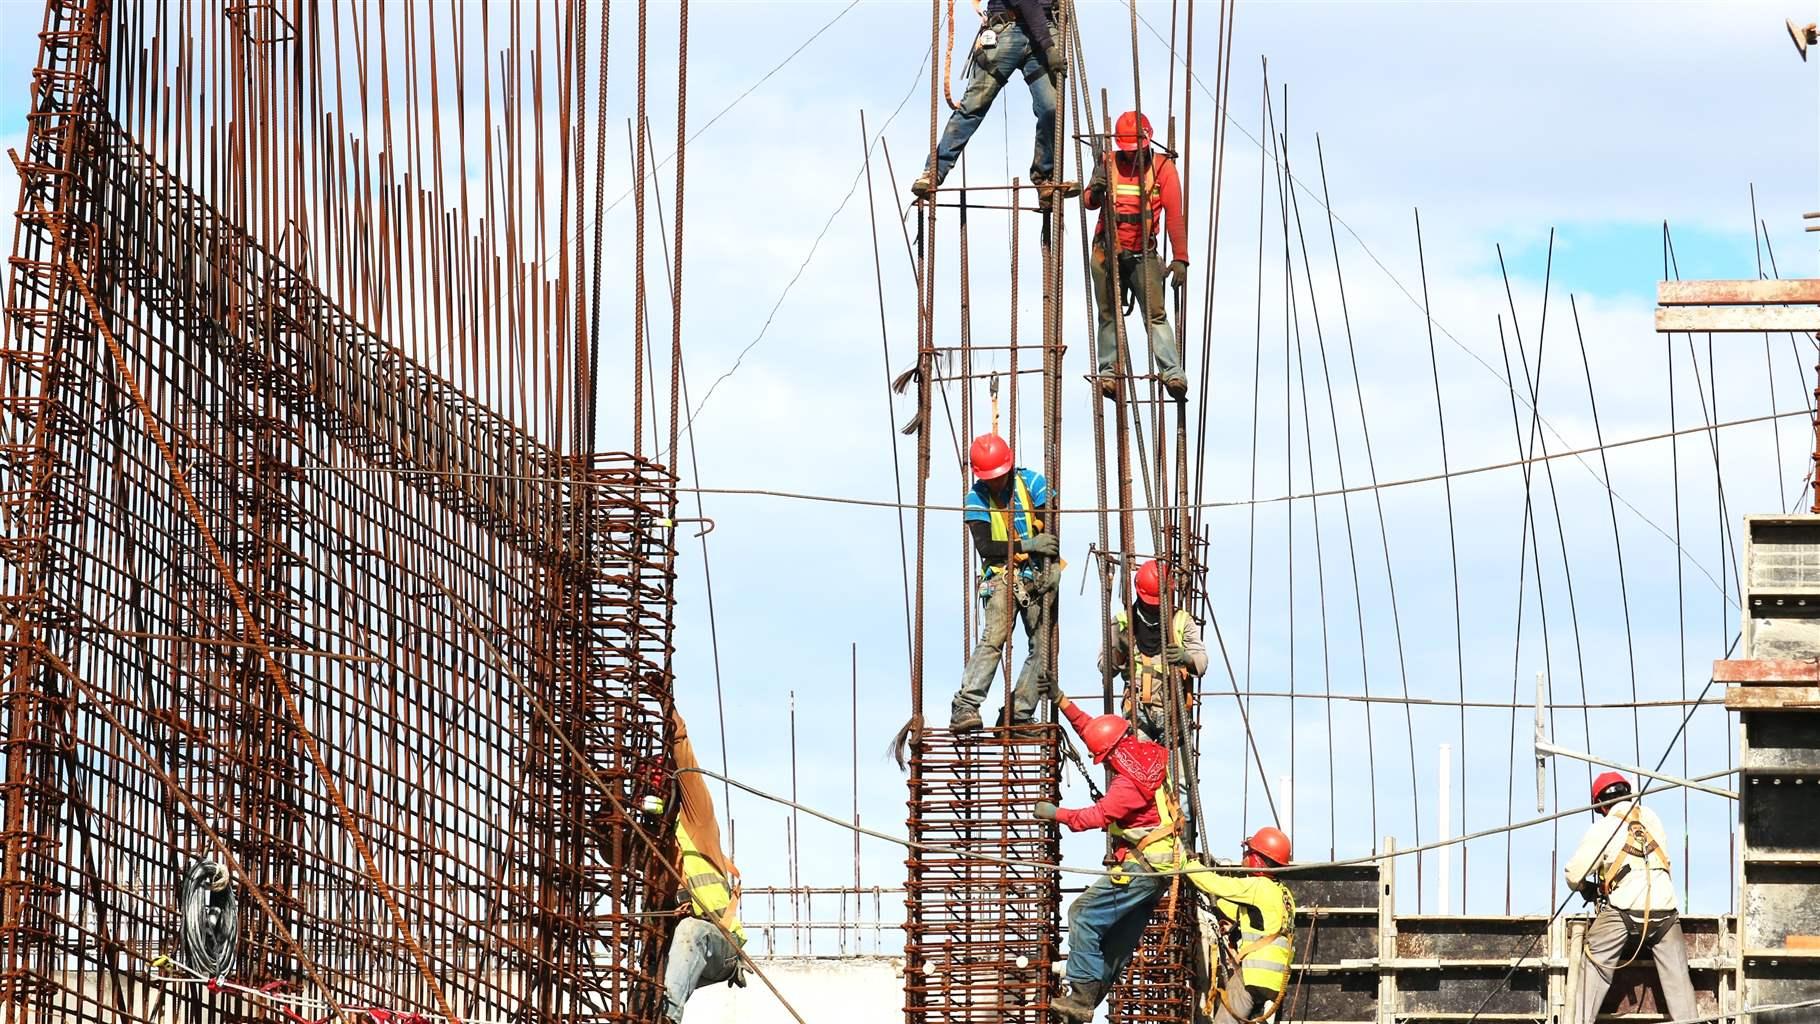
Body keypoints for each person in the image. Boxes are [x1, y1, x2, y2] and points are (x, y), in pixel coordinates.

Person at [1038, 693, 1180, 1020]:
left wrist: (1055, 813)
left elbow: (1093, 817)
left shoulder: (1127, 786)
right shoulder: (1147, 754)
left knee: (1083, 915)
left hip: (1140, 868)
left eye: (1102, 758)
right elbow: (1095, 729)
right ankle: (1085, 1003)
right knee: (1117, 943)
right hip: (1158, 872)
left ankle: (1081, 999)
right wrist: (1062, 702)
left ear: (1110, 754)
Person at [1563, 771, 1696, 1024]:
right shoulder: (1652, 819)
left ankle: (1578, 1021)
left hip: (1623, 912)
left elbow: (1573, 873)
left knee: (1595, 965)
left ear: (1601, 805)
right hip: (1666, 913)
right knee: (1679, 980)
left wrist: (1586, 888)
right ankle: (1689, 1020)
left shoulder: (1605, 826)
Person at [911, 0, 1073, 201]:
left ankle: (1045, 177)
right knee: (973, 105)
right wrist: (1049, 47)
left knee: (1052, 108)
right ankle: (934, 171)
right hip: (1008, 28)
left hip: (1046, 28)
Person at [952, 432, 1058, 731]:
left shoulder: (1033, 483)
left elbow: (1049, 527)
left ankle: (1018, 714)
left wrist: (1053, 561)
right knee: (994, 640)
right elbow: (985, 548)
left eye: (999, 476)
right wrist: (1028, 546)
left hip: (1035, 577)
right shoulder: (976, 498)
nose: (996, 482)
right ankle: (965, 706)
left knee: (1044, 647)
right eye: (991, 478)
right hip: (1001, 577)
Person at [1082, 111, 1189, 400]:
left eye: (1135, 151)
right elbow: (1089, 203)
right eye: (1127, 151)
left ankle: (1172, 373)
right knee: (1108, 314)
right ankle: (1109, 374)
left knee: (1155, 315)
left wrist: (1180, 257)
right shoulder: (1108, 162)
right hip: (1107, 251)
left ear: (1147, 143)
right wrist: (1095, 188)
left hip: (1143, 254)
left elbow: (1174, 216)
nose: (1131, 157)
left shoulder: (1163, 167)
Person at [660, 712, 747, 1022]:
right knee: (645, 977)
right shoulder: (653, 849)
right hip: (681, 957)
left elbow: (686, 764)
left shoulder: (696, 823)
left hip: (721, 945)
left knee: (691, 930)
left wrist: (668, 712)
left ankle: (667, 1018)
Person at [1098, 558, 1208, 742]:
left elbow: (1201, 662)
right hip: (1138, 713)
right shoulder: (1122, 623)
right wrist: (1119, 653)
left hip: (1174, 712)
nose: (1154, 606)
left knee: (1178, 771)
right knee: (1142, 768)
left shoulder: (1181, 621)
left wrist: (1186, 658)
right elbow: (1105, 669)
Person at [1195, 828, 1297, 1024]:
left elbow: (1216, 884)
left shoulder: (1257, 886)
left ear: (1258, 859)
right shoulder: (1284, 895)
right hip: (1275, 980)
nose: (1246, 856)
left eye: (1249, 852)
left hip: (1254, 975)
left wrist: (1186, 864)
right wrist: (1216, 909)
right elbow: (1253, 918)